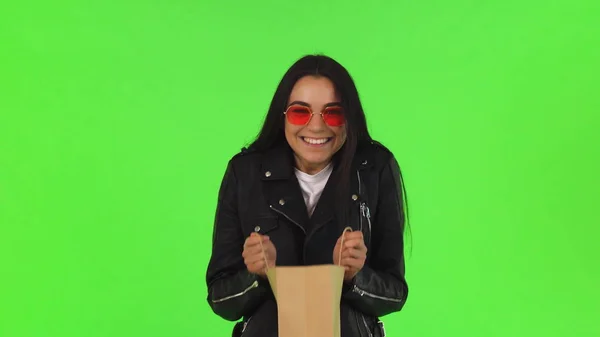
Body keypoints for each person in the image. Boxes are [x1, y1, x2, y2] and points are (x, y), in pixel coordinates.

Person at [205, 54, 409, 337]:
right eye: (301, 112)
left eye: (333, 113)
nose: (316, 126)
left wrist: (354, 276)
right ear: (283, 116)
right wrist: (257, 276)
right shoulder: (245, 173)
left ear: (349, 117)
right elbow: (220, 300)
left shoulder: (374, 170)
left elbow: (395, 294)